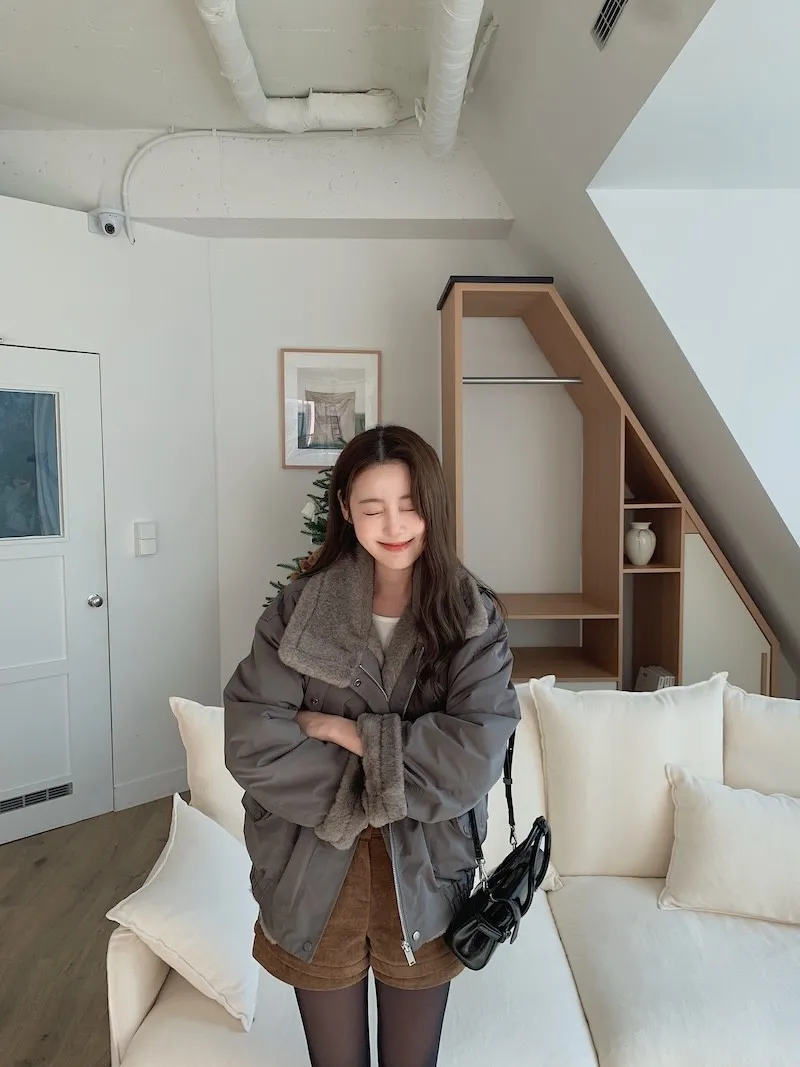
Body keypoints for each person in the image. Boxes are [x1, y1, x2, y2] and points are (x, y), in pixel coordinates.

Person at [224, 425, 519, 1067]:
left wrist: (351, 733)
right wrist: (393, 768)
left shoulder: (471, 615)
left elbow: (473, 757)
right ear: (345, 509)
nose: (394, 525)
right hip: (310, 866)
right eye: (372, 506)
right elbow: (252, 741)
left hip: (429, 871)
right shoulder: (299, 609)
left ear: (434, 506)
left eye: (410, 504)